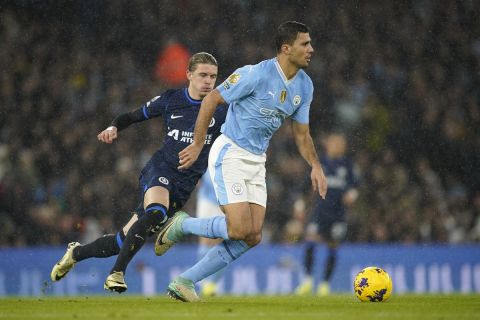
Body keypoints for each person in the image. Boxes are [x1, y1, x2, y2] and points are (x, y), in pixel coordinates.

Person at [153, 21, 328, 302]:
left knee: (253, 236)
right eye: (304, 44)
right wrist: (198, 144)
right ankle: (182, 226)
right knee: (237, 228)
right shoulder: (255, 74)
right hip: (231, 152)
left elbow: (302, 133)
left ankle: (185, 281)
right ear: (286, 48)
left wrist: (316, 165)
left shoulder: (305, 86)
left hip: (257, 160)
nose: (311, 49)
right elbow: (211, 100)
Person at [50, 52, 227, 293]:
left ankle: (76, 253)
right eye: (203, 75)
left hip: (184, 185)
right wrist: (114, 126)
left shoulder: (221, 111)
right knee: (156, 212)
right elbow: (133, 116)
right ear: (189, 75)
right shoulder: (171, 99)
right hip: (160, 169)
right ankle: (116, 273)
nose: (208, 81)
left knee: (121, 240)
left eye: (213, 76)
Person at [295, 133, 358, 296]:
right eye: (335, 142)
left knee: (332, 245)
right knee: (310, 241)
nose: (338, 146)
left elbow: (355, 185)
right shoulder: (319, 163)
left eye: (340, 143)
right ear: (328, 144)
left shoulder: (347, 164)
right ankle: (308, 281)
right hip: (320, 210)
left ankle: (324, 285)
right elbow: (304, 186)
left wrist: (352, 194)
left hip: (338, 213)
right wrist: (300, 205)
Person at [195, 172, 225, 297]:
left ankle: (212, 284)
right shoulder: (205, 152)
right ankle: (204, 282)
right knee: (205, 239)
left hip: (226, 201)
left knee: (221, 243)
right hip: (207, 198)